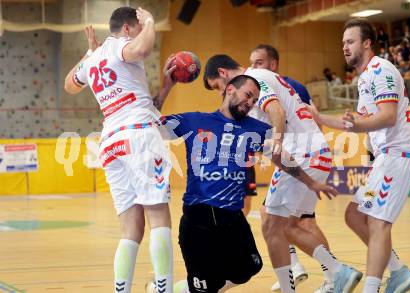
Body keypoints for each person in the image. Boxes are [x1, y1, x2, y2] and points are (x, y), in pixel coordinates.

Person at [149, 75, 338, 293]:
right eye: (247, 95)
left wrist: (311, 182)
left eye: (254, 100)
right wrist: (166, 88)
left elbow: (280, 158)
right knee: (205, 287)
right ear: (230, 89)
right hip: (198, 219)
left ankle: (188, 288)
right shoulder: (195, 121)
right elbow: (152, 125)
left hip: (233, 219)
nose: (250, 103)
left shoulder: (257, 129)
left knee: (250, 266)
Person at [204, 55, 363, 293]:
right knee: (287, 224)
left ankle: (337, 272)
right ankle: (333, 274)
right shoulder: (255, 88)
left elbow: (276, 110)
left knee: (272, 226)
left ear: (223, 73)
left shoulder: (254, 79)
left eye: (217, 86)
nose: (221, 92)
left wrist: (277, 142)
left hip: (302, 153)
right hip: (314, 154)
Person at [306, 18, 410, 293]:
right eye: (343, 43)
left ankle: (372, 288)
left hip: (400, 153)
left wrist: (358, 125)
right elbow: (359, 121)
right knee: (355, 215)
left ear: (367, 43)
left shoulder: (381, 70)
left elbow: (387, 116)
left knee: (378, 221)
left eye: (350, 42)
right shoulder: (364, 78)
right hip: (385, 157)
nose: (344, 48)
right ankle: (398, 272)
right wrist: (320, 118)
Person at [64, 7, 175, 293]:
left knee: (131, 228)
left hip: (111, 141)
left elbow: (69, 85)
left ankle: (121, 290)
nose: (141, 32)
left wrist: (89, 54)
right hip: (138, 136)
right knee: (159, 215)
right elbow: (141, 49)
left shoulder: (95, 58)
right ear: (127, 28)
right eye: (137, 28)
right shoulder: (122, 45)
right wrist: (150, 20)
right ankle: (164, 289)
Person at [250, 44, 330, 292]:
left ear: (273, 64)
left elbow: (309, 120)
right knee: (271, 216)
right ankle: (298, 266)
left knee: (297, 223)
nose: (253, 68)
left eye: (259, 62)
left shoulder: (290, 86)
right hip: (296, 158)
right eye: (251, 62)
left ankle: (332, 274)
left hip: (303, 156)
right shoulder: (260, 83)